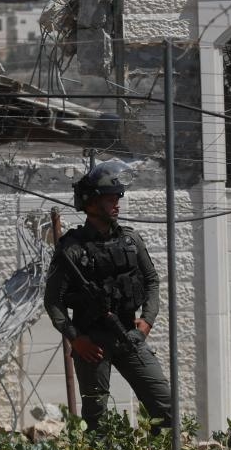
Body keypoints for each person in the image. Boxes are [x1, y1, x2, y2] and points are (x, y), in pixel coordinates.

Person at [43, 160, 172, 432]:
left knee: (165, 408)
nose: (117, 203)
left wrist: (147, 321)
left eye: (118, 197)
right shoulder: (72, 249)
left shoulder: (130, 240)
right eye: (110, 198)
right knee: (97, 420)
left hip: (128, 334)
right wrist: (76, 340)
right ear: (91, 203)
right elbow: (53, 301)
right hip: (93, 344)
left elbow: (151, 280)